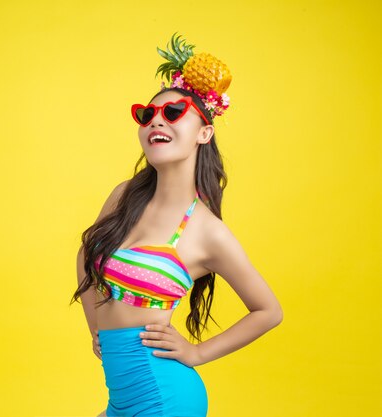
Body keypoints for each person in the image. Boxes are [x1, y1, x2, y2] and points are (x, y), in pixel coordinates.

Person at [70, 32, 283, 417]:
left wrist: (198, 352)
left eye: (172, 113)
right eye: (146, 114)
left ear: (205, 132)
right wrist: (94, 328)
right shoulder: (124, 195)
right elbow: (87, 254)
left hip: (164, 398)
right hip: (121, 397)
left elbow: (268, 311)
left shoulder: (206, 231)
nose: (156, 120)